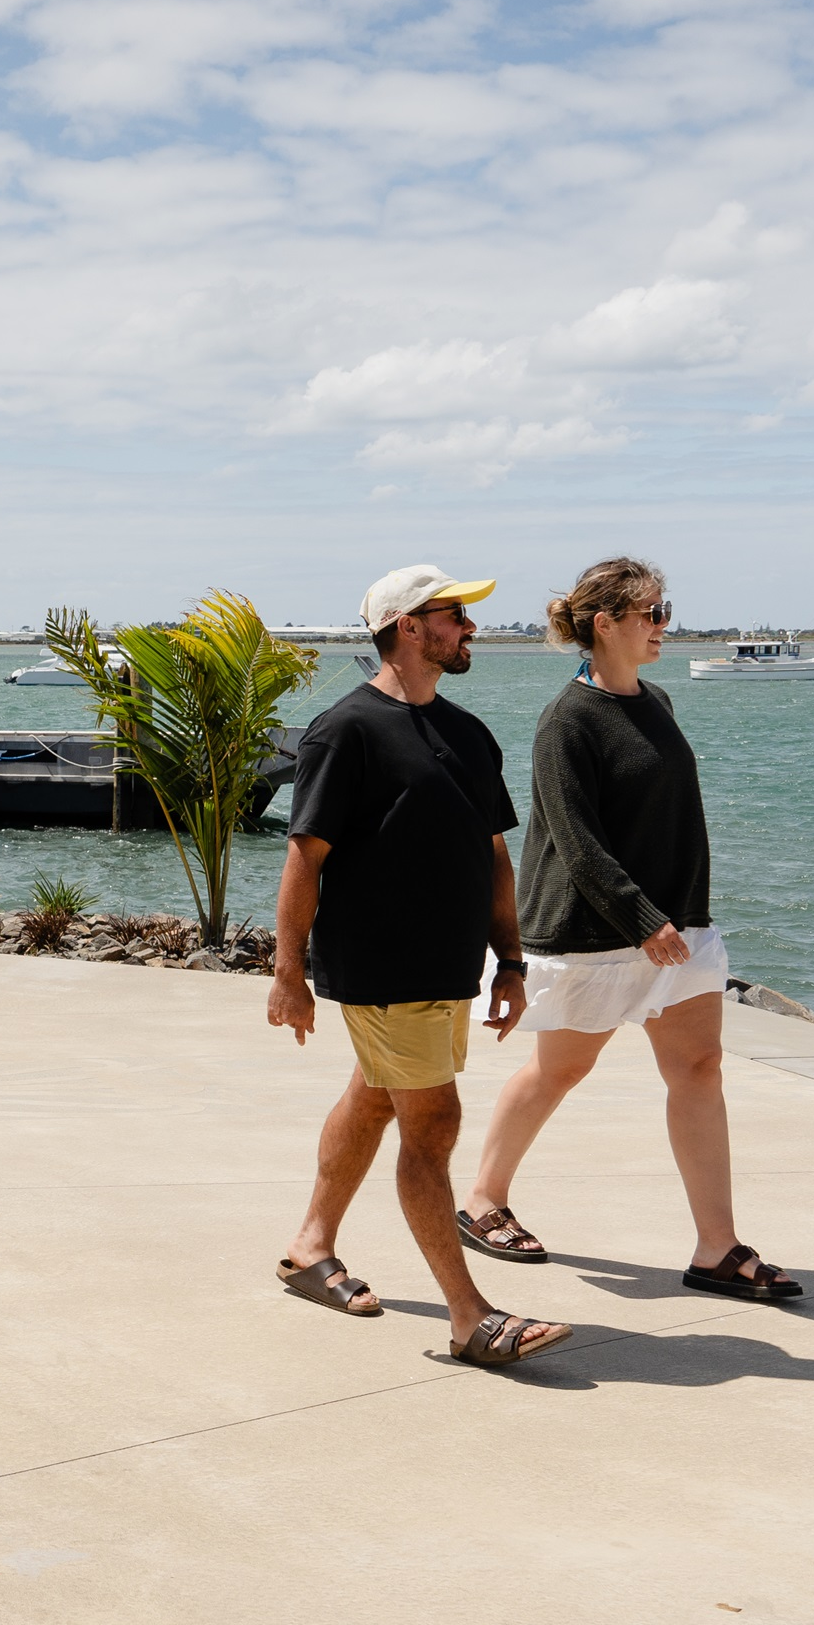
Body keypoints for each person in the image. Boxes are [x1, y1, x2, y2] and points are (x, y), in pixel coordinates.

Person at [459, 556, 803, 1302]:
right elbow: (576, 840)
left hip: (679, 930)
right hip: (594, 933)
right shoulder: (566, 721)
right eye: (650, 613)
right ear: (605, 624)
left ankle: (717, 1248)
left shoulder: (658, 701)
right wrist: (642, 919)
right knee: (560, 1071)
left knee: (699, 1069)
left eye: (664, 611)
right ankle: (483, 1199)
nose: (662, 626)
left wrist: (675, 917)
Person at [266, 564, 572, 1369]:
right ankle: (470, 1317)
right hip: (383, 966)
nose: (470, 628)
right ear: (408, 626)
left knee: (375, 1098)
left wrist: (511, 962)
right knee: (431, 1127)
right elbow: (305, 857)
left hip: (449, 969)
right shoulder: (345, 731)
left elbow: (494, 854)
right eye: (454, 615)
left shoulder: (469, 733)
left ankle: (309, 1248)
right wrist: (289, 972)